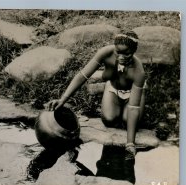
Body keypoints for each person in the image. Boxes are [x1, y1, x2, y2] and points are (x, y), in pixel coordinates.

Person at [48, 31, 146, 161]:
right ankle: (106, 90)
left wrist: (130, 144)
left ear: (134, 51)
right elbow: (83, 75)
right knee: (109, 119)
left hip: (133, 93)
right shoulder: (105, 53)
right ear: (114, 47)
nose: (121, 57)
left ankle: (140, 95)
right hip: (113, 88)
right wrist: (63, 99)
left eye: (126, 53)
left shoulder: (138, 71)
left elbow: (133, 107)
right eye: (118, 52)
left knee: (128, 121)